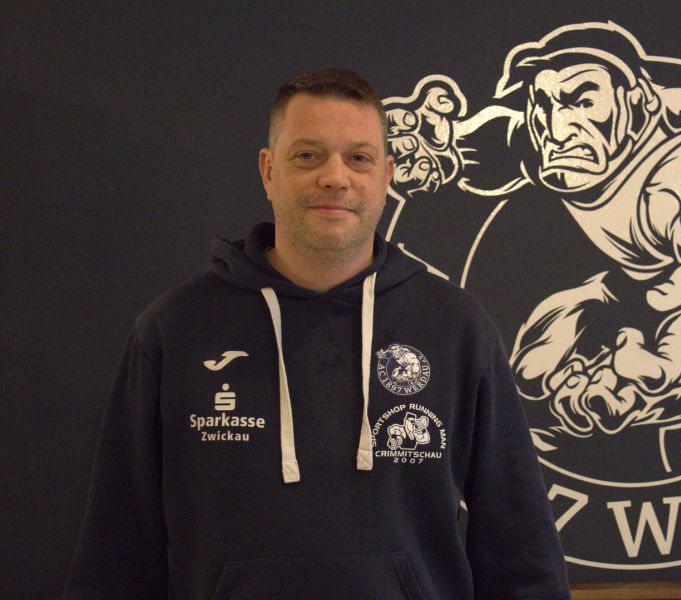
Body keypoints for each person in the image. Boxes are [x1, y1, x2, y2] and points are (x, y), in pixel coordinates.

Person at [64, 68, 570, 599]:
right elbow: (116, 554)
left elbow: (521, 553)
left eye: (359, 158)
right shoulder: (174, 330)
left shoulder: (455, 328)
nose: (335, 177)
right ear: (268, 172)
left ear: (387, 175)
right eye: (308, 155)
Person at [386, 22, 681, 444]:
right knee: (536, 363)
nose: (558, 128)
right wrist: (436, 146)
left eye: (583, 100)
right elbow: (497, 140)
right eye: (543, 103)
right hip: (636, 287)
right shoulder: (557, 138)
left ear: (638, 100)